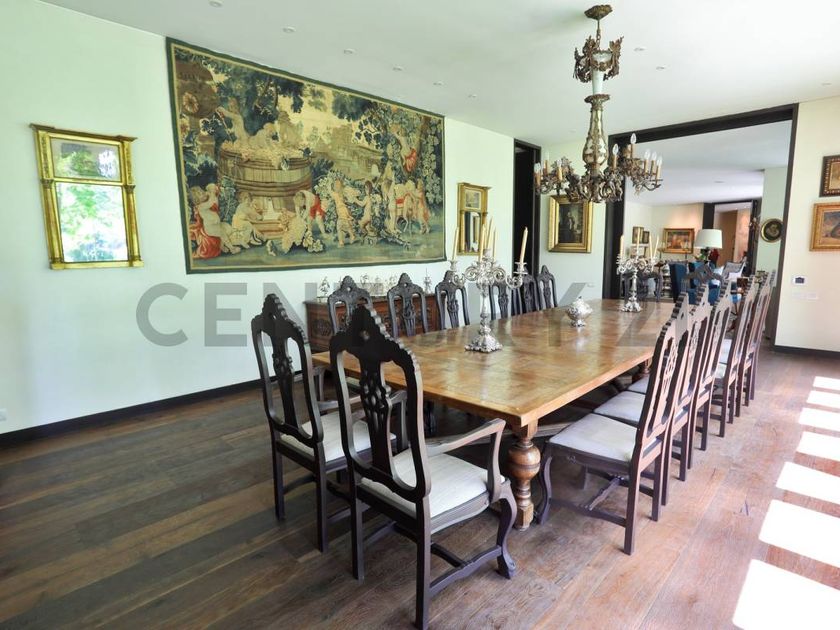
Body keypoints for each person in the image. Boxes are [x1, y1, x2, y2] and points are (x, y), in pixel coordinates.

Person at [331, 179, 357, 246]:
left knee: (339, 226)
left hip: (342, 211)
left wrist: (328, 187)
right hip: (343, 211)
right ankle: (352, 236)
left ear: (340, 187)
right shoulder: (340, 194)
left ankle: (341, 242)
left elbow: (331, 193)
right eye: (335, 185)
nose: (335, 187)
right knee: (346, 225)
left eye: (337, 186)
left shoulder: (337, 194)